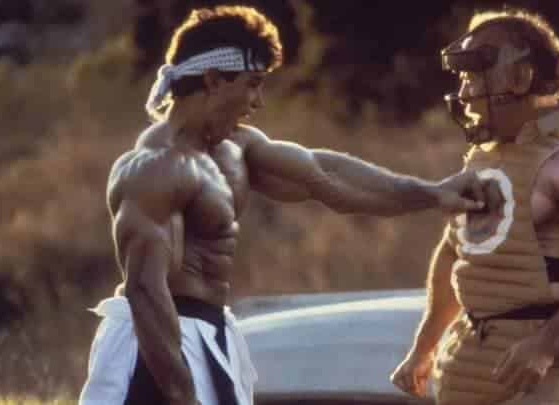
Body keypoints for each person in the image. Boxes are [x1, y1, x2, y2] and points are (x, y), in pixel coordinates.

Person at [78, 5, 486, 405]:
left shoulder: (237, 149)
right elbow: (146, 291)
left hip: (208, 332)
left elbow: (326, 175)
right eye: (252, 84)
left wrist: (433, 192)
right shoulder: (156, 167)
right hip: (154, 344)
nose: (257, 101)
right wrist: (180, 391)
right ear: (214, 79)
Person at [390, 7, 559, 405]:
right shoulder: (484, 159)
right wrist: (425, 346)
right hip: (467, 367)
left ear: (521, 77)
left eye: (475, 76)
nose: (464, 92)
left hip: (546, 376)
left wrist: (547, 343)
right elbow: (456, 254)